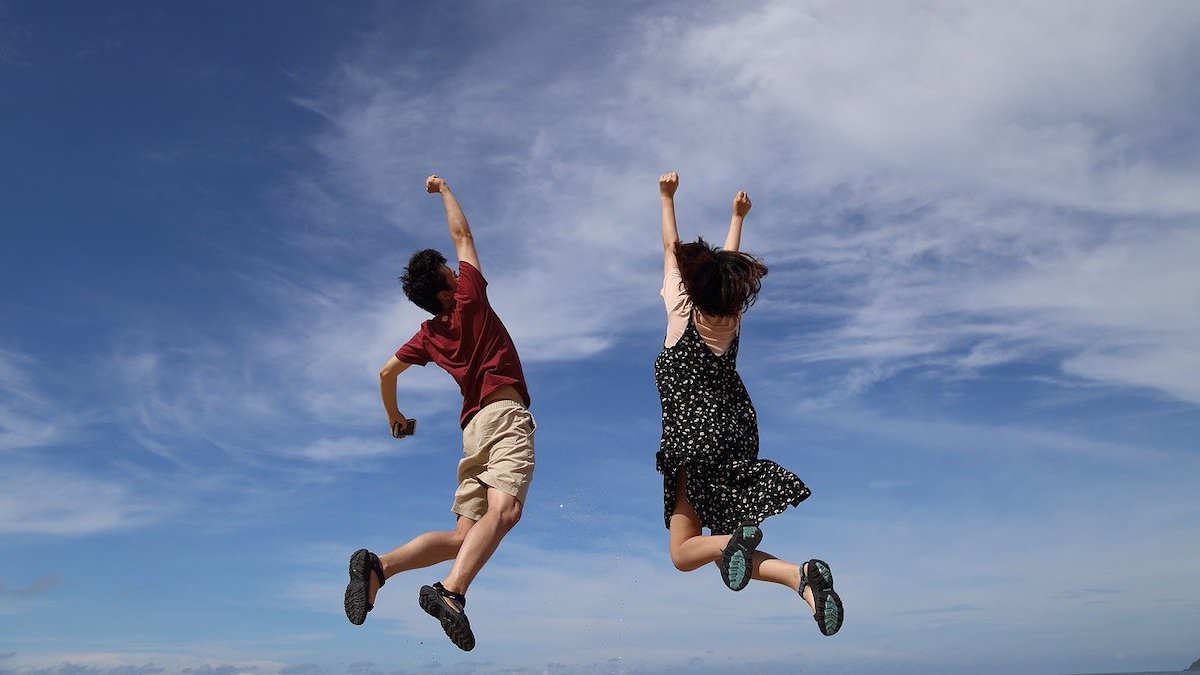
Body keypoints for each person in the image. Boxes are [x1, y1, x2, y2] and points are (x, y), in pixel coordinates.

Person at [344, 175, 535, 652]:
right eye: (450, 271)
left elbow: (385, 374)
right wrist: (445, 190)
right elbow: (463, 237)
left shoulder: (428, 334)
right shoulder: (470, 300)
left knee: (463, 537)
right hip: (504, 416)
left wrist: (395, 417)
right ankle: (452, 593)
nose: (457, 269)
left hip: (472, 430)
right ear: (449, 287)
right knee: (506, 511)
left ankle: (379, 567)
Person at [653, 171, 844, 636]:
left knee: (682, 553)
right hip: (735, 433)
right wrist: (738, 217)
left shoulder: (683, 311)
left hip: (694, 438)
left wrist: (666, 198)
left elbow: (670, 246)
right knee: (721, 551)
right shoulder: (730, 320)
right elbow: (728, 262)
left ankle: (736, 543)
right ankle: (802, 581)